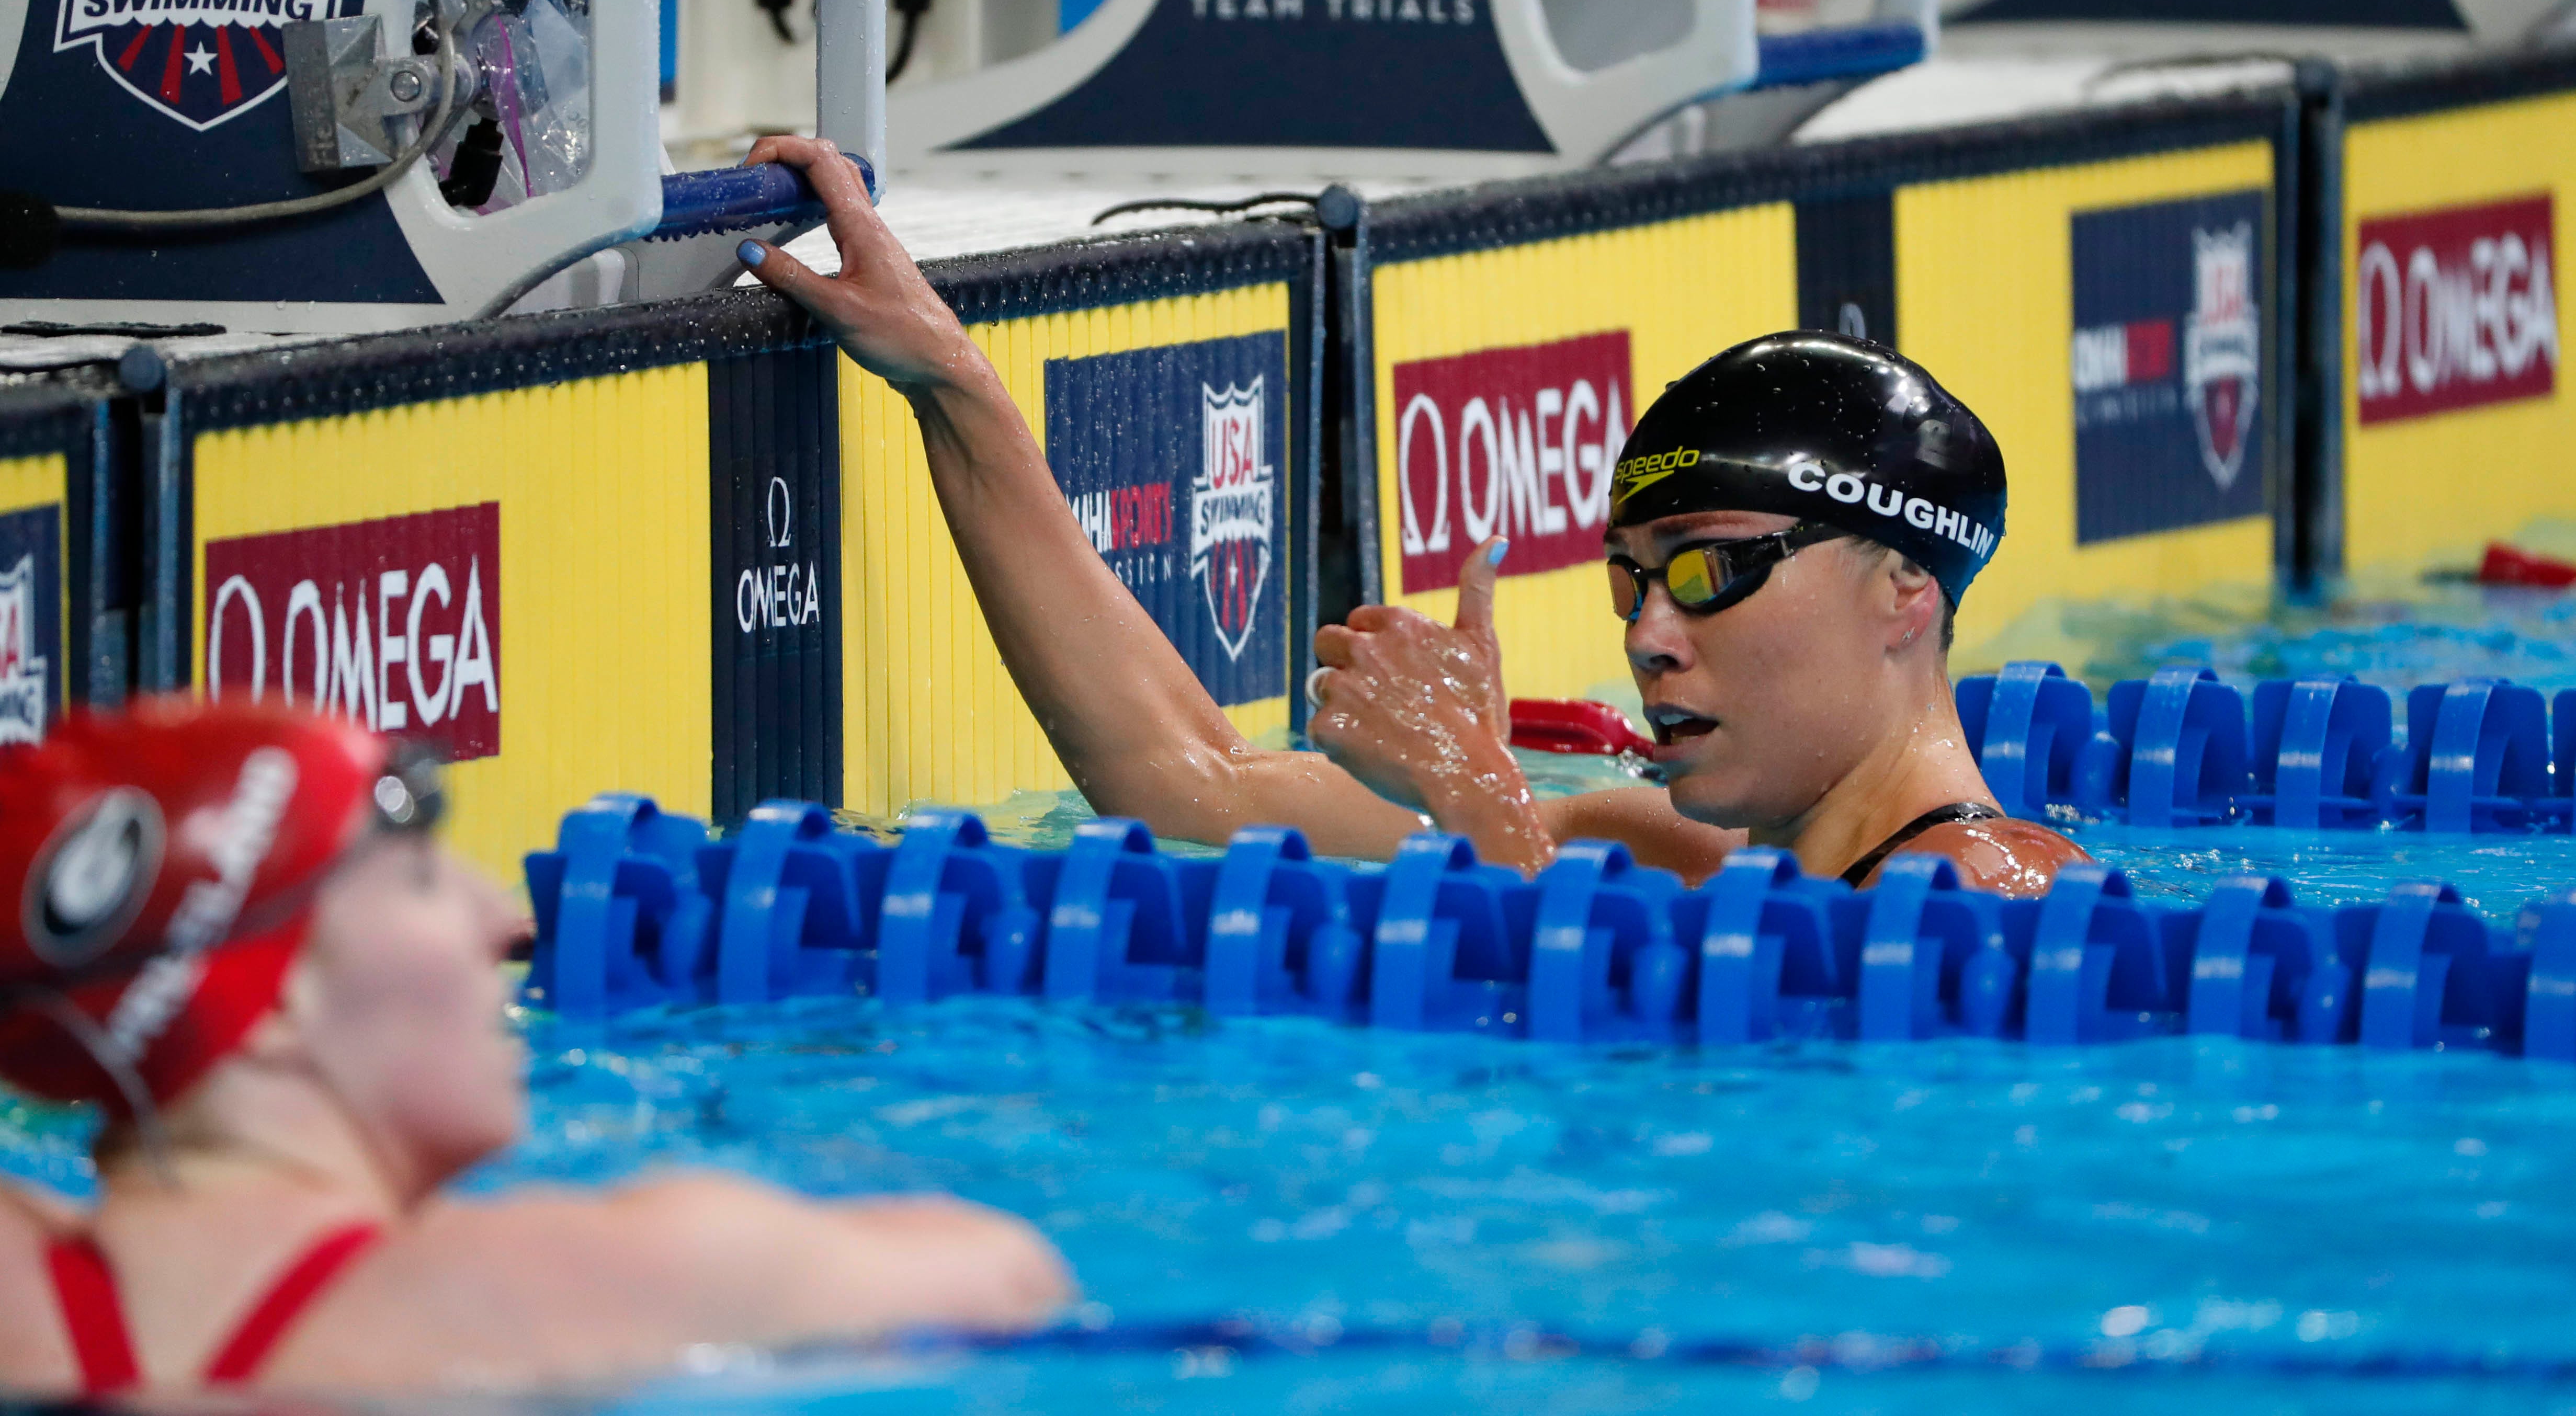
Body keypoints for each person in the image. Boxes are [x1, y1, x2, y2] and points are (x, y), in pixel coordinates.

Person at [735, 137, 2081, 894]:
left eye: (1712, 572)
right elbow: (1183, 782)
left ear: (1906, 589)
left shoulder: (1999, 897)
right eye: (1629, 584)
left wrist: (1480, 792)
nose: (1653, 638)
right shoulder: (1651, 847)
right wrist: (953, 387)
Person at [0, 699, 1068, 1394]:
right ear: (271, 1010)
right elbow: (1014, 1276)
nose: (495, 918)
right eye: (421, 876)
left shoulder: (29, 1306)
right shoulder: (580, 1285)